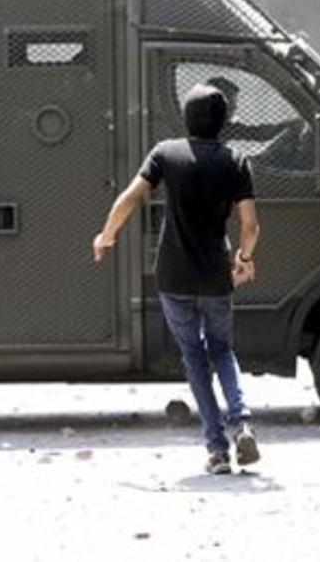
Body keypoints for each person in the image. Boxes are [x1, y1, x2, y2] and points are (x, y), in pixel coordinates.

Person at [92, 84, 261, 475]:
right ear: (224, 120)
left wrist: (107, 235)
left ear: (186, 117)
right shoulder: (236, 161)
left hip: (173, 276)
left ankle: (217, 451)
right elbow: (250, 225)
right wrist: (244, 258)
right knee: (222, 349)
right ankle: (242, 424)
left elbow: (129, 199)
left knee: (194, 357)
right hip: (215, 276)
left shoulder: (165, 153)